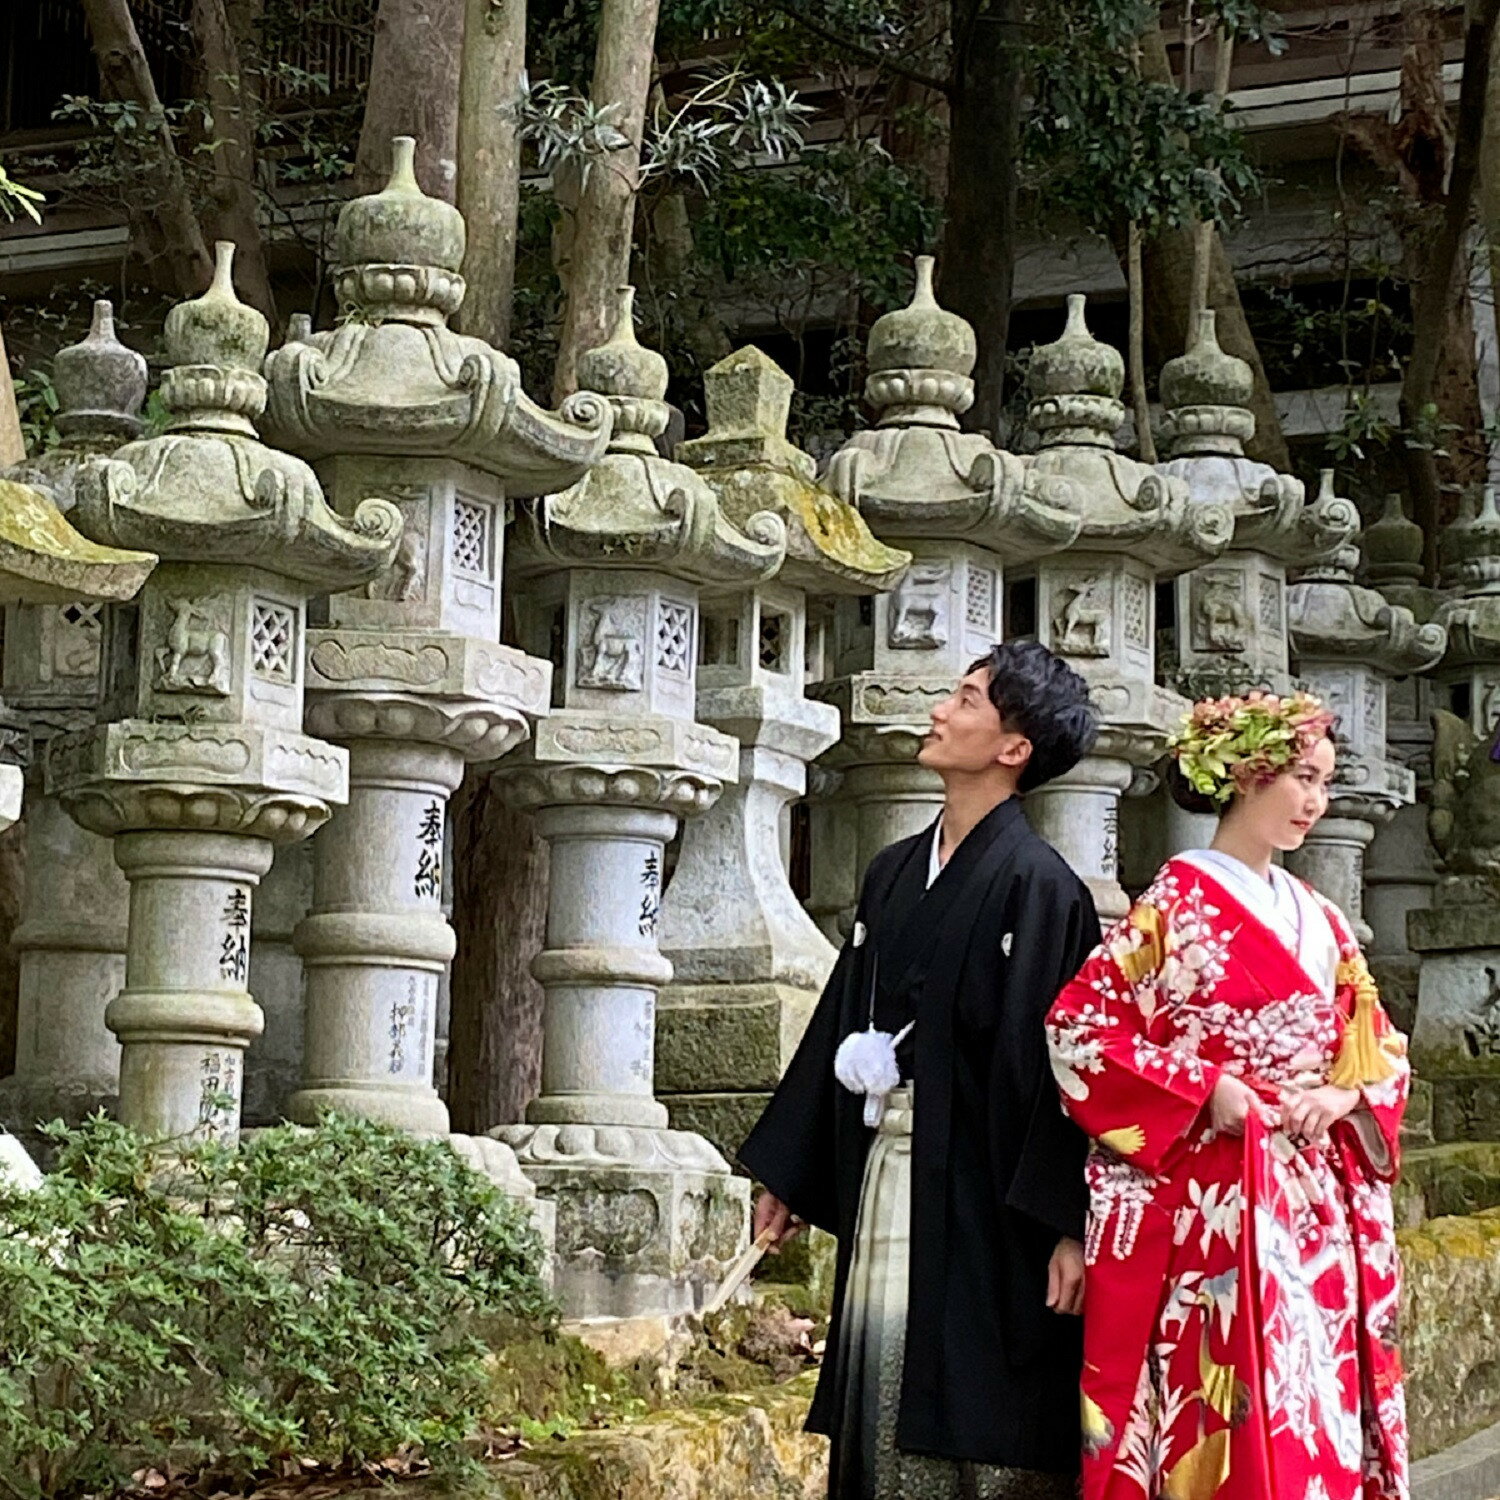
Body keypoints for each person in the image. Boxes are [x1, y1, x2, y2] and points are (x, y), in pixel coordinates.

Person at [739, 639, 1102, 1500]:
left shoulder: (1044, 890)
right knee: (883, 1383)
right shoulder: (895, 870)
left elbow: (1068, 1076)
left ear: (1015, 747)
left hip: (991, 1201)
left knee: (985, 1408)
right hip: (892, 1166)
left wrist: (1069, 1223)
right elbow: (843, 1013)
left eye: (968, 700)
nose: (941, 710)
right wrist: (788, 1171)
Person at [1046, 690, 1409, 1500]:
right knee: (1230, 1404)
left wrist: (1344, 1100)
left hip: (1314, 1198)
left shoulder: (1321, 917)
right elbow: (1079, 1034)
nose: (1315, 802)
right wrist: (1206, 1089)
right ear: (1244, 775)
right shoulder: (1171, 908)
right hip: (1212, 1201)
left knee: (1316, 1402)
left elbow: (1378, 1045)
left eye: (1324, 783)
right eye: (1302, 779)